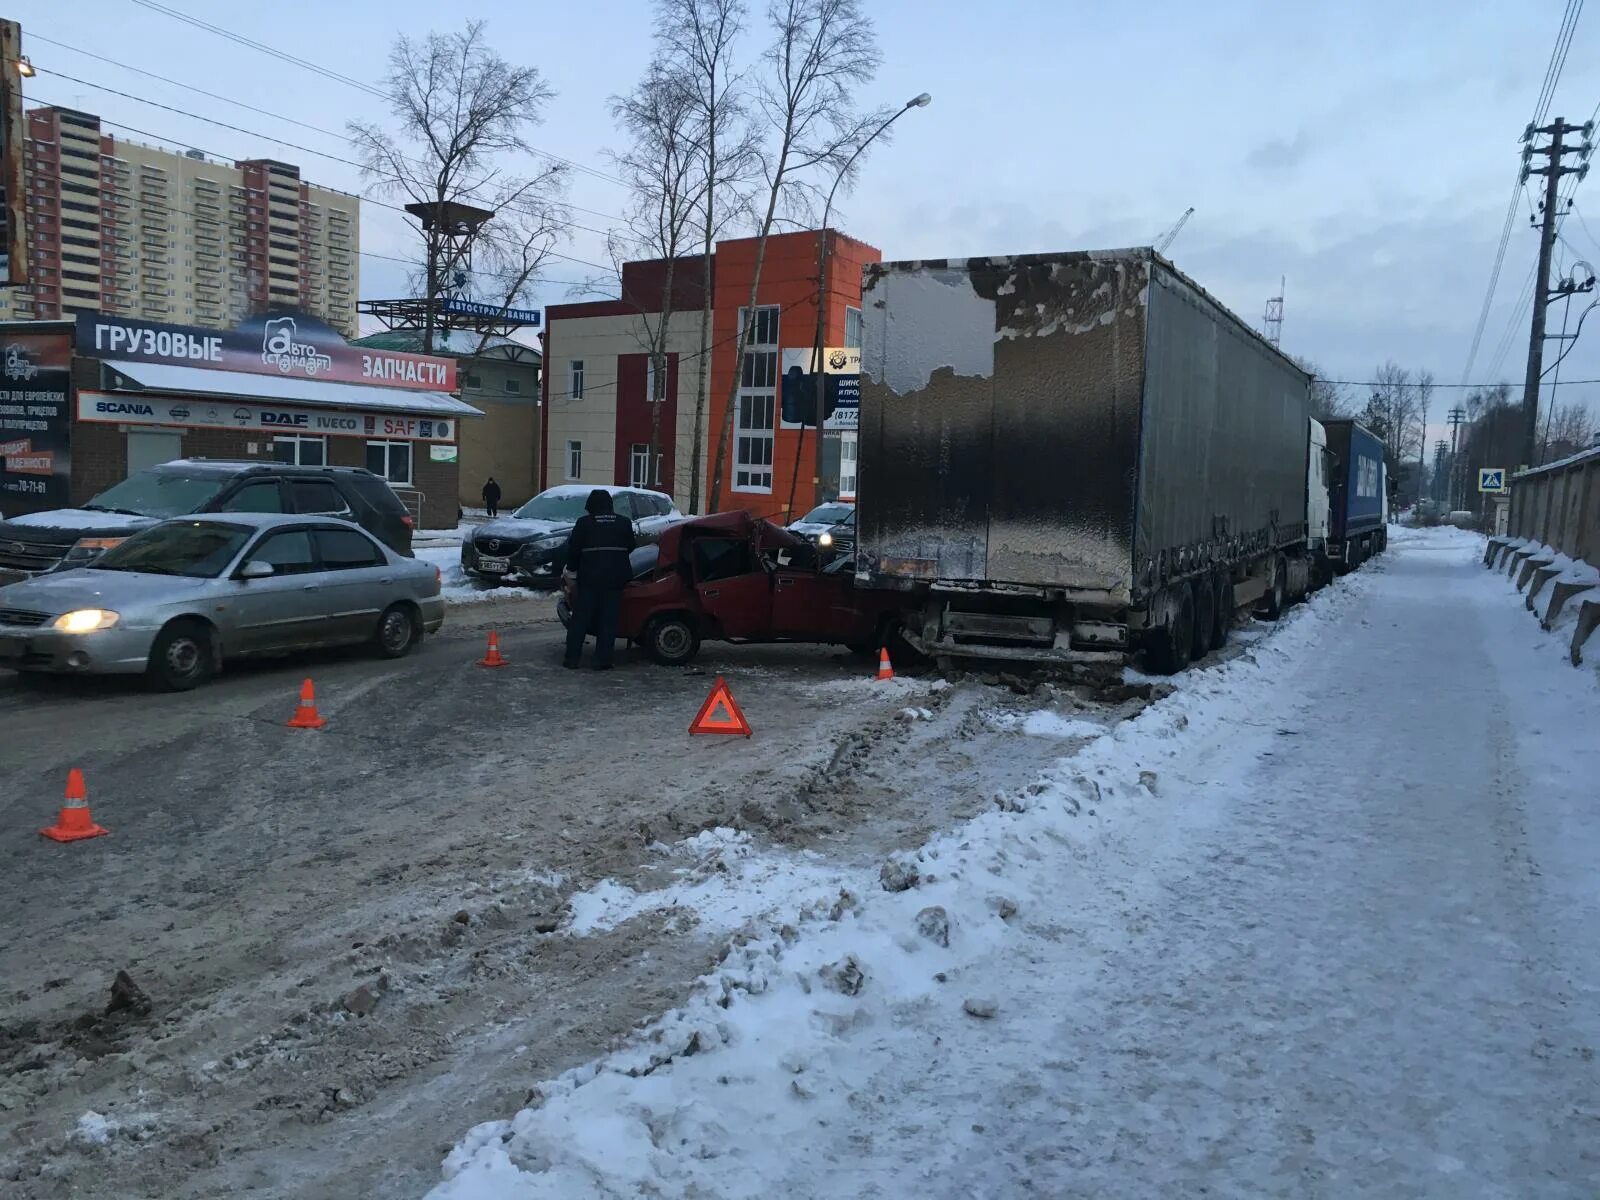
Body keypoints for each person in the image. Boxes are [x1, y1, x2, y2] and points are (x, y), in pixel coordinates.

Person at [562, 488, 636, 670]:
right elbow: (631, 546)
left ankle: (572, 659)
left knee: (580, 619)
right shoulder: (624, 522)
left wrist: (571, 571)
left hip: (589, 579)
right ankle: (602, 660)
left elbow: (573, 550)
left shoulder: (584, 523)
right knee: (608, 620)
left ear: (591, 506)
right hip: (615, 579)